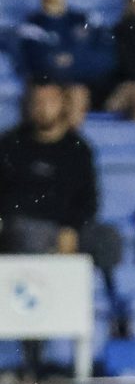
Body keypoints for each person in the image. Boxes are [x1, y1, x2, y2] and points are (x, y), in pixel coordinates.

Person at [16, 0, 116, 129]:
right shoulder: (31, 25)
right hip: (54, 91)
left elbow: (108, 59)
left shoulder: (85, 20)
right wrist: (82, 57)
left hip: (96, 89)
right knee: (76, 93)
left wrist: (68, 59)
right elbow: (42, 65)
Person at [0, 82, 98, 256]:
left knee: (106, 238)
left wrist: (71, 228)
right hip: (22, 224)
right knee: (29, 234)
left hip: (67, 227)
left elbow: (88, 199)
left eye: (50, 101)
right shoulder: (10, 145)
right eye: (38, 102)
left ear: (63, 103)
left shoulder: (78, 148)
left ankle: (107, 282)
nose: (44, 108)